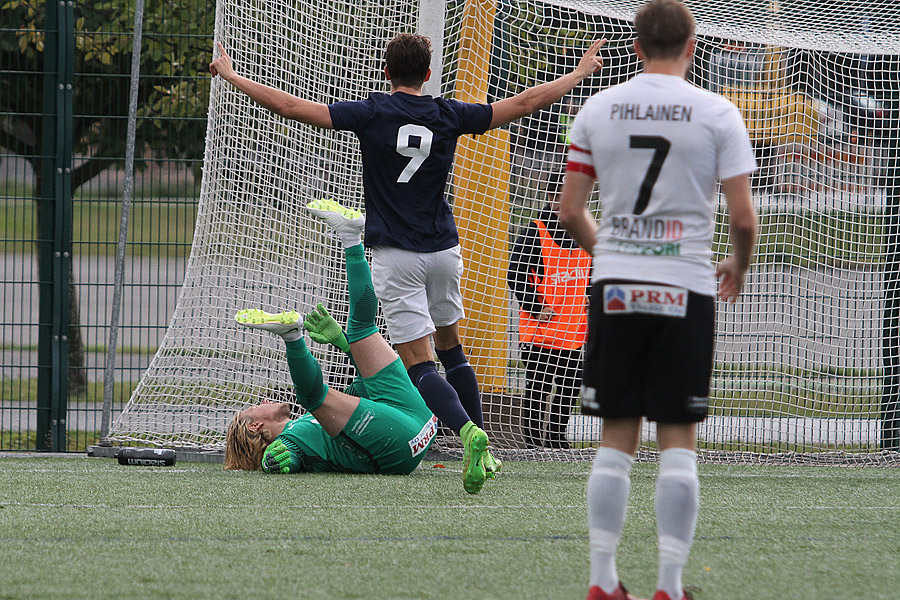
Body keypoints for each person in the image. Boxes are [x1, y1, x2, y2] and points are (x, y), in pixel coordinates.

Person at [210, 33, 606, 494]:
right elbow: (521, 104)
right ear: (428, 73)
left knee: (419, 365)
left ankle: (468, 434)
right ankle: (483, 447)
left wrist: (236, 77)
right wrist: (579, 73)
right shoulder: (447, 112)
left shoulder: (372, 111)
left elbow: (294, 108)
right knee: (452, 349)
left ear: (384, 71)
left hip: (397, 256)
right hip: (444, 250)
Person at [557, 2, 758, 599]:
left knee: (615, 439)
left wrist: (613, 255)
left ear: (637, 46)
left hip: (615, 286)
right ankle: (669, 587)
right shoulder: (718, 112)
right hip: (685, 285)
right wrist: (737, 266)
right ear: (693, 44)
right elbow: (744, 219)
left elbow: (570, 212)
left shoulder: (599, 107)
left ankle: (601, 582)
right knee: (678, 437)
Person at [224, 204, 443, 480]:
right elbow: (287, 458)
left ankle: (351, 238)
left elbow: (367, 385)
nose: (263, 400)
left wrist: (343, 343)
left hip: (419, 420)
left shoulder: (310, 422)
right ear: (255, 426)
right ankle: (293, 337)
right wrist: (272, 461)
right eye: (254, 406)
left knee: (361, 330)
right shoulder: (289, 441)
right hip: (397, 448)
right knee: (314, 397)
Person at [507, 175, 591, 448]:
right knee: (539, 386)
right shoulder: (536, 231)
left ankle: (557, 438)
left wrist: (592, 294)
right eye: (561, 195)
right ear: (551, 198)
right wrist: (535, 305)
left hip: (573, 331)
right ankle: (532, 440)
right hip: (540, 332)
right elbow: (514, 272)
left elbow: (598, 269)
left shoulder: (586, 231)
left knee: (568, 388)